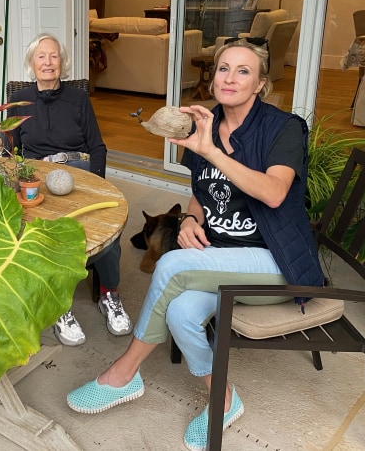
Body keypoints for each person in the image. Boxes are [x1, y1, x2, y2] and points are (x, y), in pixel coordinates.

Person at [66, 38, 325, 451]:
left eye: (243, 71)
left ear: (260, 83)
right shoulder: (205, 123)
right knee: (182, 312)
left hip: (275, 263)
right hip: (219, 259)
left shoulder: (284, 128)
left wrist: (211, 150)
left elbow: (274, 193)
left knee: (171, 265)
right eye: (224, 68)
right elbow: (199, 194)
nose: (230, 77)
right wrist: (190, 219)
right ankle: (223, 399)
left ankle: (124, 372)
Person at [8, 33, 132, 346]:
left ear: (62, 63)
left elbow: (97, 146)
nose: (47, 62)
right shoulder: (18, 102)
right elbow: (13, 153)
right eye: (41, 57)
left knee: (106, 231)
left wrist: (99, 184)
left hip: (80, 173)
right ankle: (60, 305)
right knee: (46, 235)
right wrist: (23, 183)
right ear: (31, 64)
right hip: (38, 179)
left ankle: (109, 295)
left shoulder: (77, 99)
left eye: (54, 56)